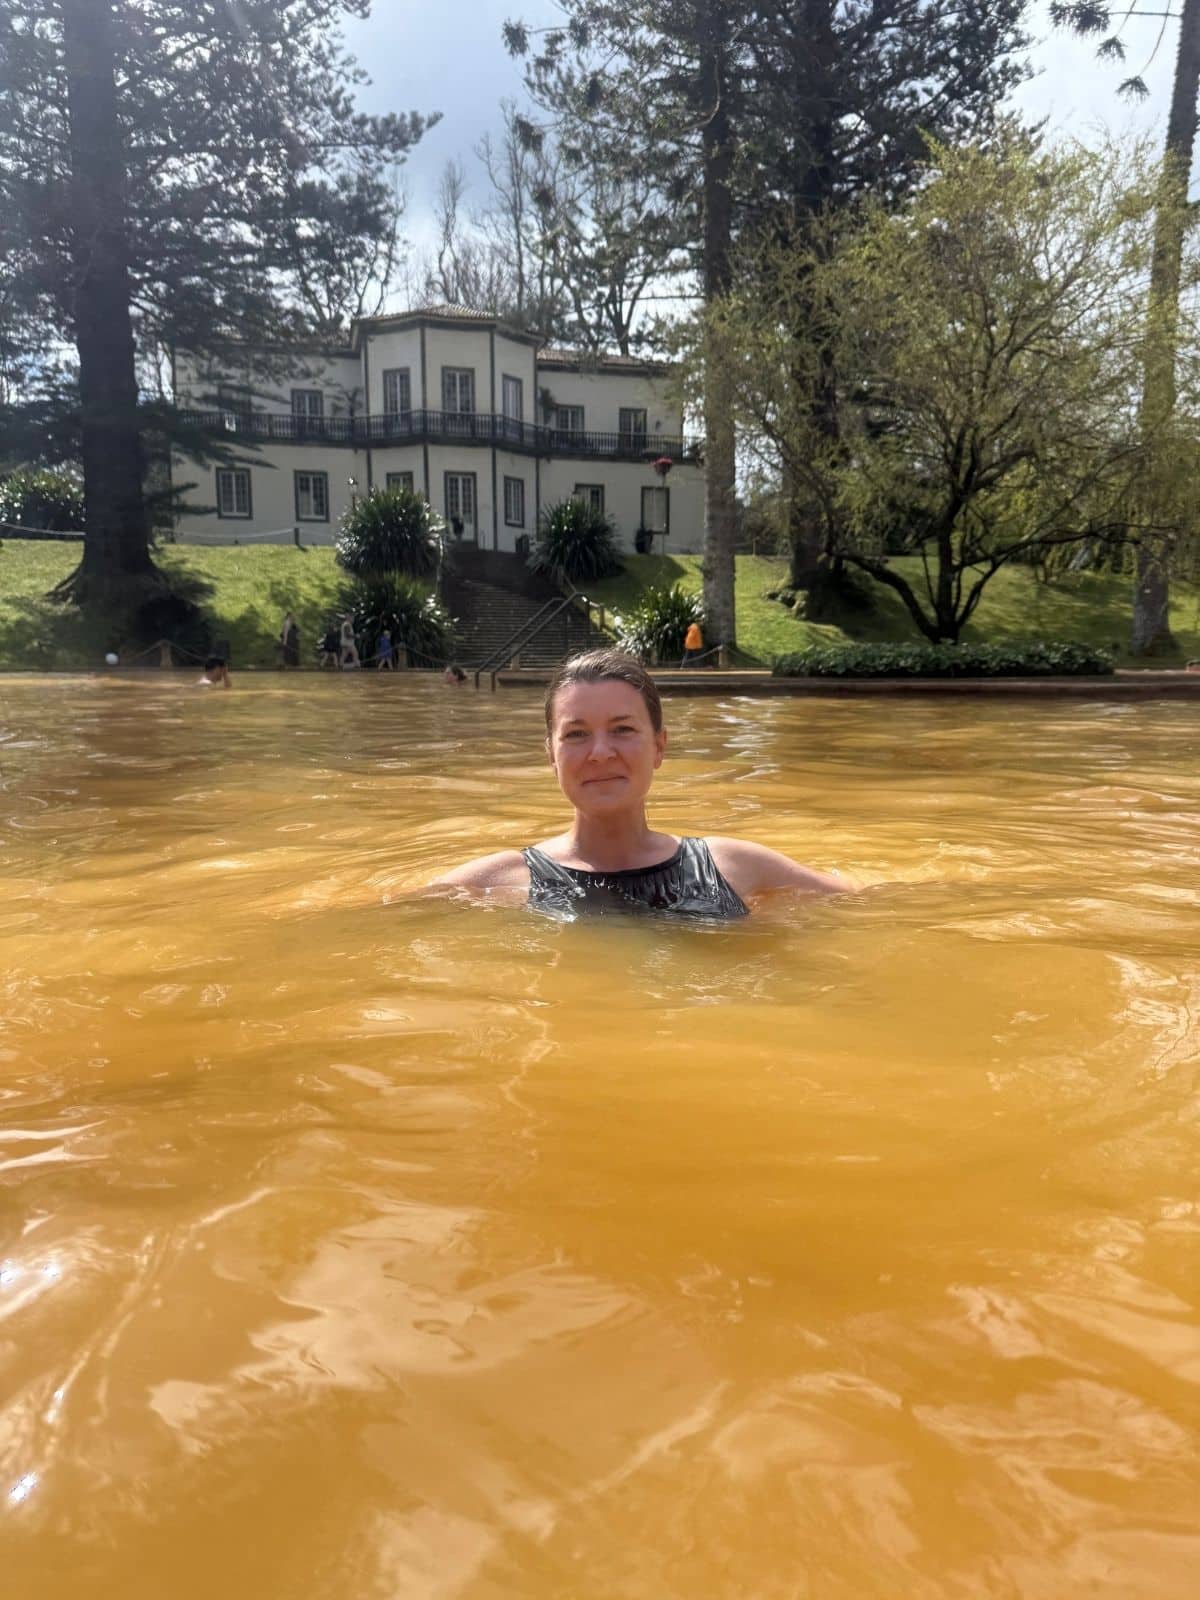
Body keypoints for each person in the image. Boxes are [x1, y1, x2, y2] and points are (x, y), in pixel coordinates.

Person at [427, 647, 847, 918]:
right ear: (551, 755)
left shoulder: (731, 866)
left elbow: (870, 902)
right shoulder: (496, 882)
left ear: (659, 747)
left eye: (623, 729)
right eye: (576, 734)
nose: (600, 752)